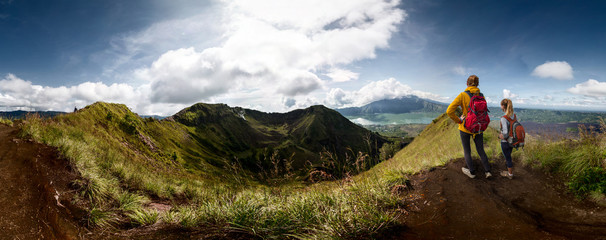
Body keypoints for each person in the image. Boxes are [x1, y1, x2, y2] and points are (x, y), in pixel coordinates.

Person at [446, 75, 491, 179]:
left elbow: (449, 111)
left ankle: (472, 172)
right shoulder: (482, 95)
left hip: (465, 128)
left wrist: (459, 120)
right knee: (481, 150)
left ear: (467, 83)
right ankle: (488, 171)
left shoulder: (462, 95)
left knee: (467, 151)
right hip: (478, 127)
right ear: (477, 84)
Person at [499, 99, 515, 179]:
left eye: (501, 105)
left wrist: (500, 136)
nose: (500, 107)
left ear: (503, 106)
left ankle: (510, 174)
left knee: (508, 158)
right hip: (512, 141)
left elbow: (505, 133)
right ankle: (509, 171)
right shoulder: (513, 116)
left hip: (505, 142)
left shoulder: (504, 118)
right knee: (508, 156)